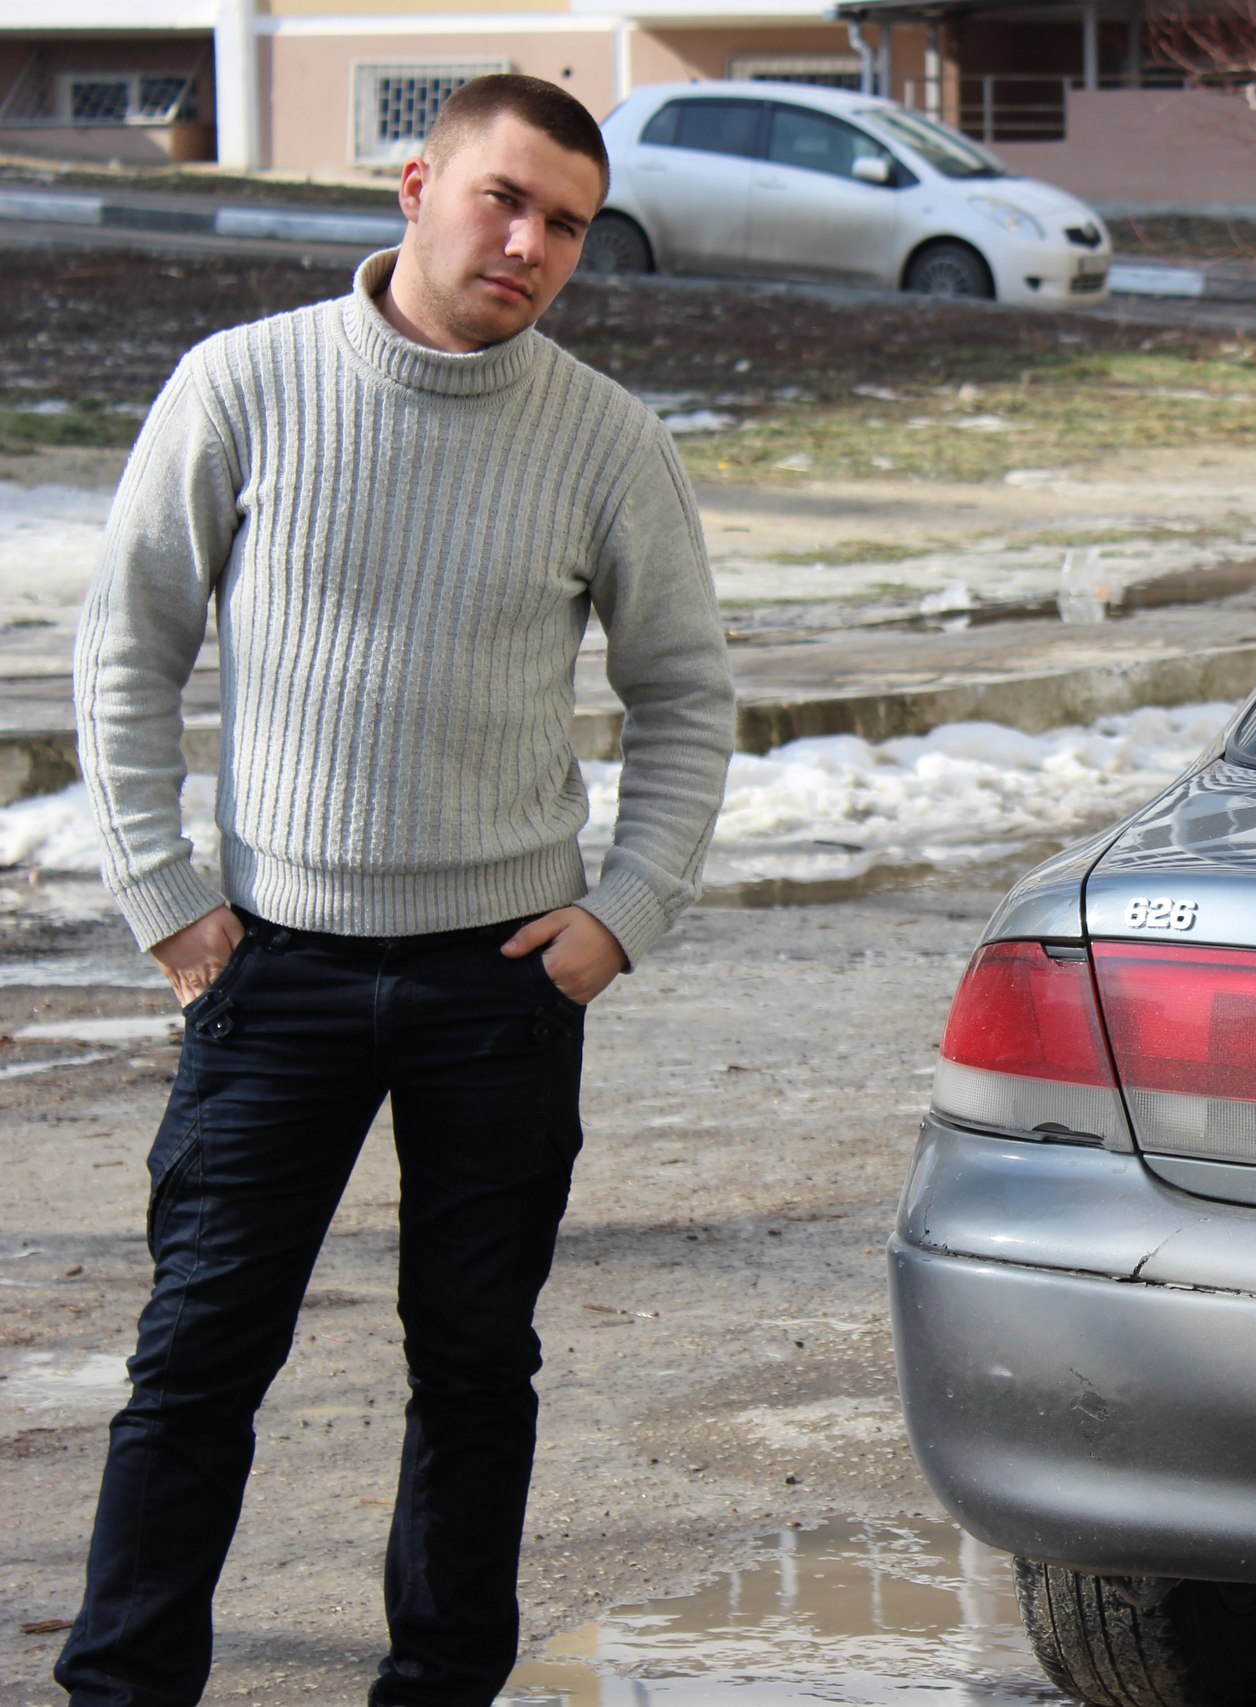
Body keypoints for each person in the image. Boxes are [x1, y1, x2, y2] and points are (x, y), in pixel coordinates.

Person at [58, 74, 735, 1707]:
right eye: (504, 198)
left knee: (477, 1368)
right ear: (418, 185)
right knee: (194, 1361)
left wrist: (623, 914)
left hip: (501, 983)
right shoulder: (243, 383)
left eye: (567, 223)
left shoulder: (607, 438)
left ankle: (440, 1689)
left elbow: (686, 697)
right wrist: (166, 896)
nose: (530, 244)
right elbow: (125, 648)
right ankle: (121, 1690)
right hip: (270, 970)